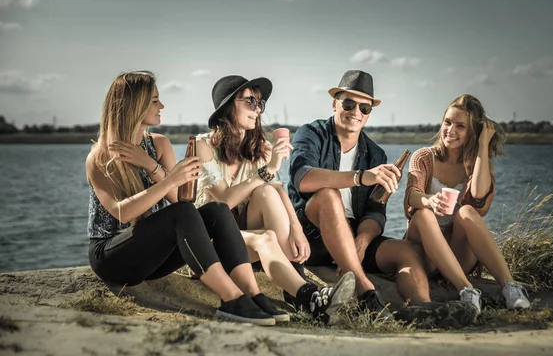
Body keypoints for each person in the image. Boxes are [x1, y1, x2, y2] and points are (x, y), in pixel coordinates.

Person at [87, 71, 284, 326]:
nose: (162, 106)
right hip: (113, 258)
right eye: (155, 100)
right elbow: (121, 213)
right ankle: (231, 298)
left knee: (217, 210)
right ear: (134, 106)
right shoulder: (100, 157)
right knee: (182, 214)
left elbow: (181, 203)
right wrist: (168, 178)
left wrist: (151, 166)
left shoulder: (158, 145)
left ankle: (252, 293)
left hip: (152, 256)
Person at [191, 74, 356, 324]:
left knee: (267, 192)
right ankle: (307, 295)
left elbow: (277, 190)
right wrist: (267, 169)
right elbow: (224, 201)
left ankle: (301, 289)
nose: (257, 109)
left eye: (260, 103)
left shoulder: (259, 147)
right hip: (210, 243)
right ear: (227, 107)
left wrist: (297, 230)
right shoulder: (203, 146)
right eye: (250, 101)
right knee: (265, 233)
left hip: (245, 242)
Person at [287, 70, 436, 322]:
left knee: (407, 252)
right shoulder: (310, 133)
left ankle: (424, 310)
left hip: (353, 234)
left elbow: (375, 211)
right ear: (335, 104)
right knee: (329, 195)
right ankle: (366, 294)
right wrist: (360, 176)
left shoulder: (376, 154)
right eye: (348, 103)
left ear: (368, 115)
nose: (356, 112)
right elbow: (302, 178)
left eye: (364, 108)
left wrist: (363, 240)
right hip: (312, 235)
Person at [403, 94, 530, 314]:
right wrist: (428, 200)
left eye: (460, 126)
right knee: (423, 214)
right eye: (447, 122)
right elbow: (411, 196)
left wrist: (482, 146)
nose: (450, 130)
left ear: (472, 131)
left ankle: (510, 288)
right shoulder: (423, 157)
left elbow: (479, 200)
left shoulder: (476, 165)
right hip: (425, 254)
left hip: (458, 253)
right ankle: (467, 290)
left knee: (468, 212)